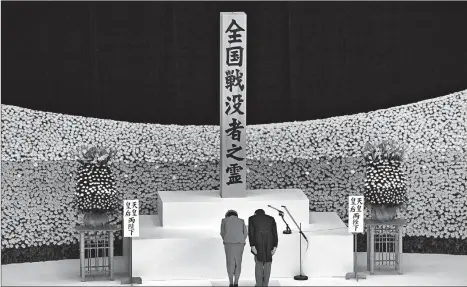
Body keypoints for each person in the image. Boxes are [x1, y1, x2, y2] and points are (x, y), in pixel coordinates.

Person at [248, 209, 278, 287]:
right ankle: (265, 284)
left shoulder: (252, 218)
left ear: (255, 213)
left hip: (257, 242)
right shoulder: (271, 218)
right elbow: (275, 232)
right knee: (268, 263)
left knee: (259, 263)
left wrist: (252, 245)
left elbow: (251, 232)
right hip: (270, 242)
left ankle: (259, 284)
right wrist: (275, 246)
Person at [220, 209, 248, 287]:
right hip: (240, 243)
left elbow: (222, 232)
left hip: (228, 243)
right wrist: (241, 239)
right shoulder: (241, 221)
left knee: (230, 263)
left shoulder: (224, 220)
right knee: (238, 263)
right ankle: (236, 282)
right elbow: (245, 233)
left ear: (227, 215)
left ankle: (231, 282)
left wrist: (226, 239)